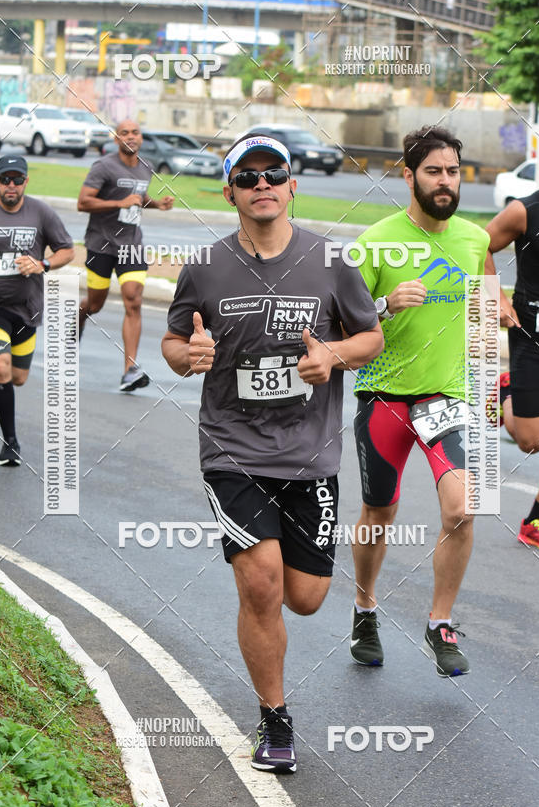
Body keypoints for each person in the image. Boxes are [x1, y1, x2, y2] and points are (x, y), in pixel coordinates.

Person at [162, 135, 383, 773]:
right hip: (232, 449)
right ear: (229, 191)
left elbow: (370, 336)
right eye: (247, 175)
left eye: (274, 173)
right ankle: (275, 720)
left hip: (310, 454)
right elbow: (174, 343)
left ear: (292, 186)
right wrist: (188, 356)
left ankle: (277, 606)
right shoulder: (205, 266)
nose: (262, 183)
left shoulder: (330, 261)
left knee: (305, 597)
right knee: (260, 584)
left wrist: (332, 354)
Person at [349, 126, 489, 677]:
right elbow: (341, 326)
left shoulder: (475, 240)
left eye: (453, 171)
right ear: (408, 176)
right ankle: (364, 610)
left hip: (445, 396)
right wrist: (385, 303)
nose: (445, 181)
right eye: (434, 171)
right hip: (383, 396)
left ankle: (440, 623)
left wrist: (489, 383)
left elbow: (480, 313)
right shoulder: (375, 242)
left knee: (463, 508)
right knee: (379, 512)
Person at [485, 124, 539, 552]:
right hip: (533, 339)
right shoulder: (527, 211)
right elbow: (478, 248)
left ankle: (535, 520)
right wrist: (497, 298)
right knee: (533, 441)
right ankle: (505, 390)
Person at [0, 154, 74, 465]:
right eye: (5, 179)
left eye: (17, 179)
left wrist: (43, 263)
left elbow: (67, 250)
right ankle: (10, 442)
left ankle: (2, 392)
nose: (11, 185)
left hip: (28, 308)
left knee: (17, 378)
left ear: (26, 181)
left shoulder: (41, 213)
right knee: (1, 369)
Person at [77, 119, 174, 391]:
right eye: (124, 133)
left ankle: (130, 370)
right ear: (116, 138)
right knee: (95, 304)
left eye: (135, 132)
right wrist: (119, 203)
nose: (130, 137)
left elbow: (138, 197)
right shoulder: (103, 166)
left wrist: (157, 204)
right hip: (101, 244)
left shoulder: (146, 167)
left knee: (133, 300)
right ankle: (78, 319)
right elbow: (83, 202)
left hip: (131, 245)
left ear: (141, 137)